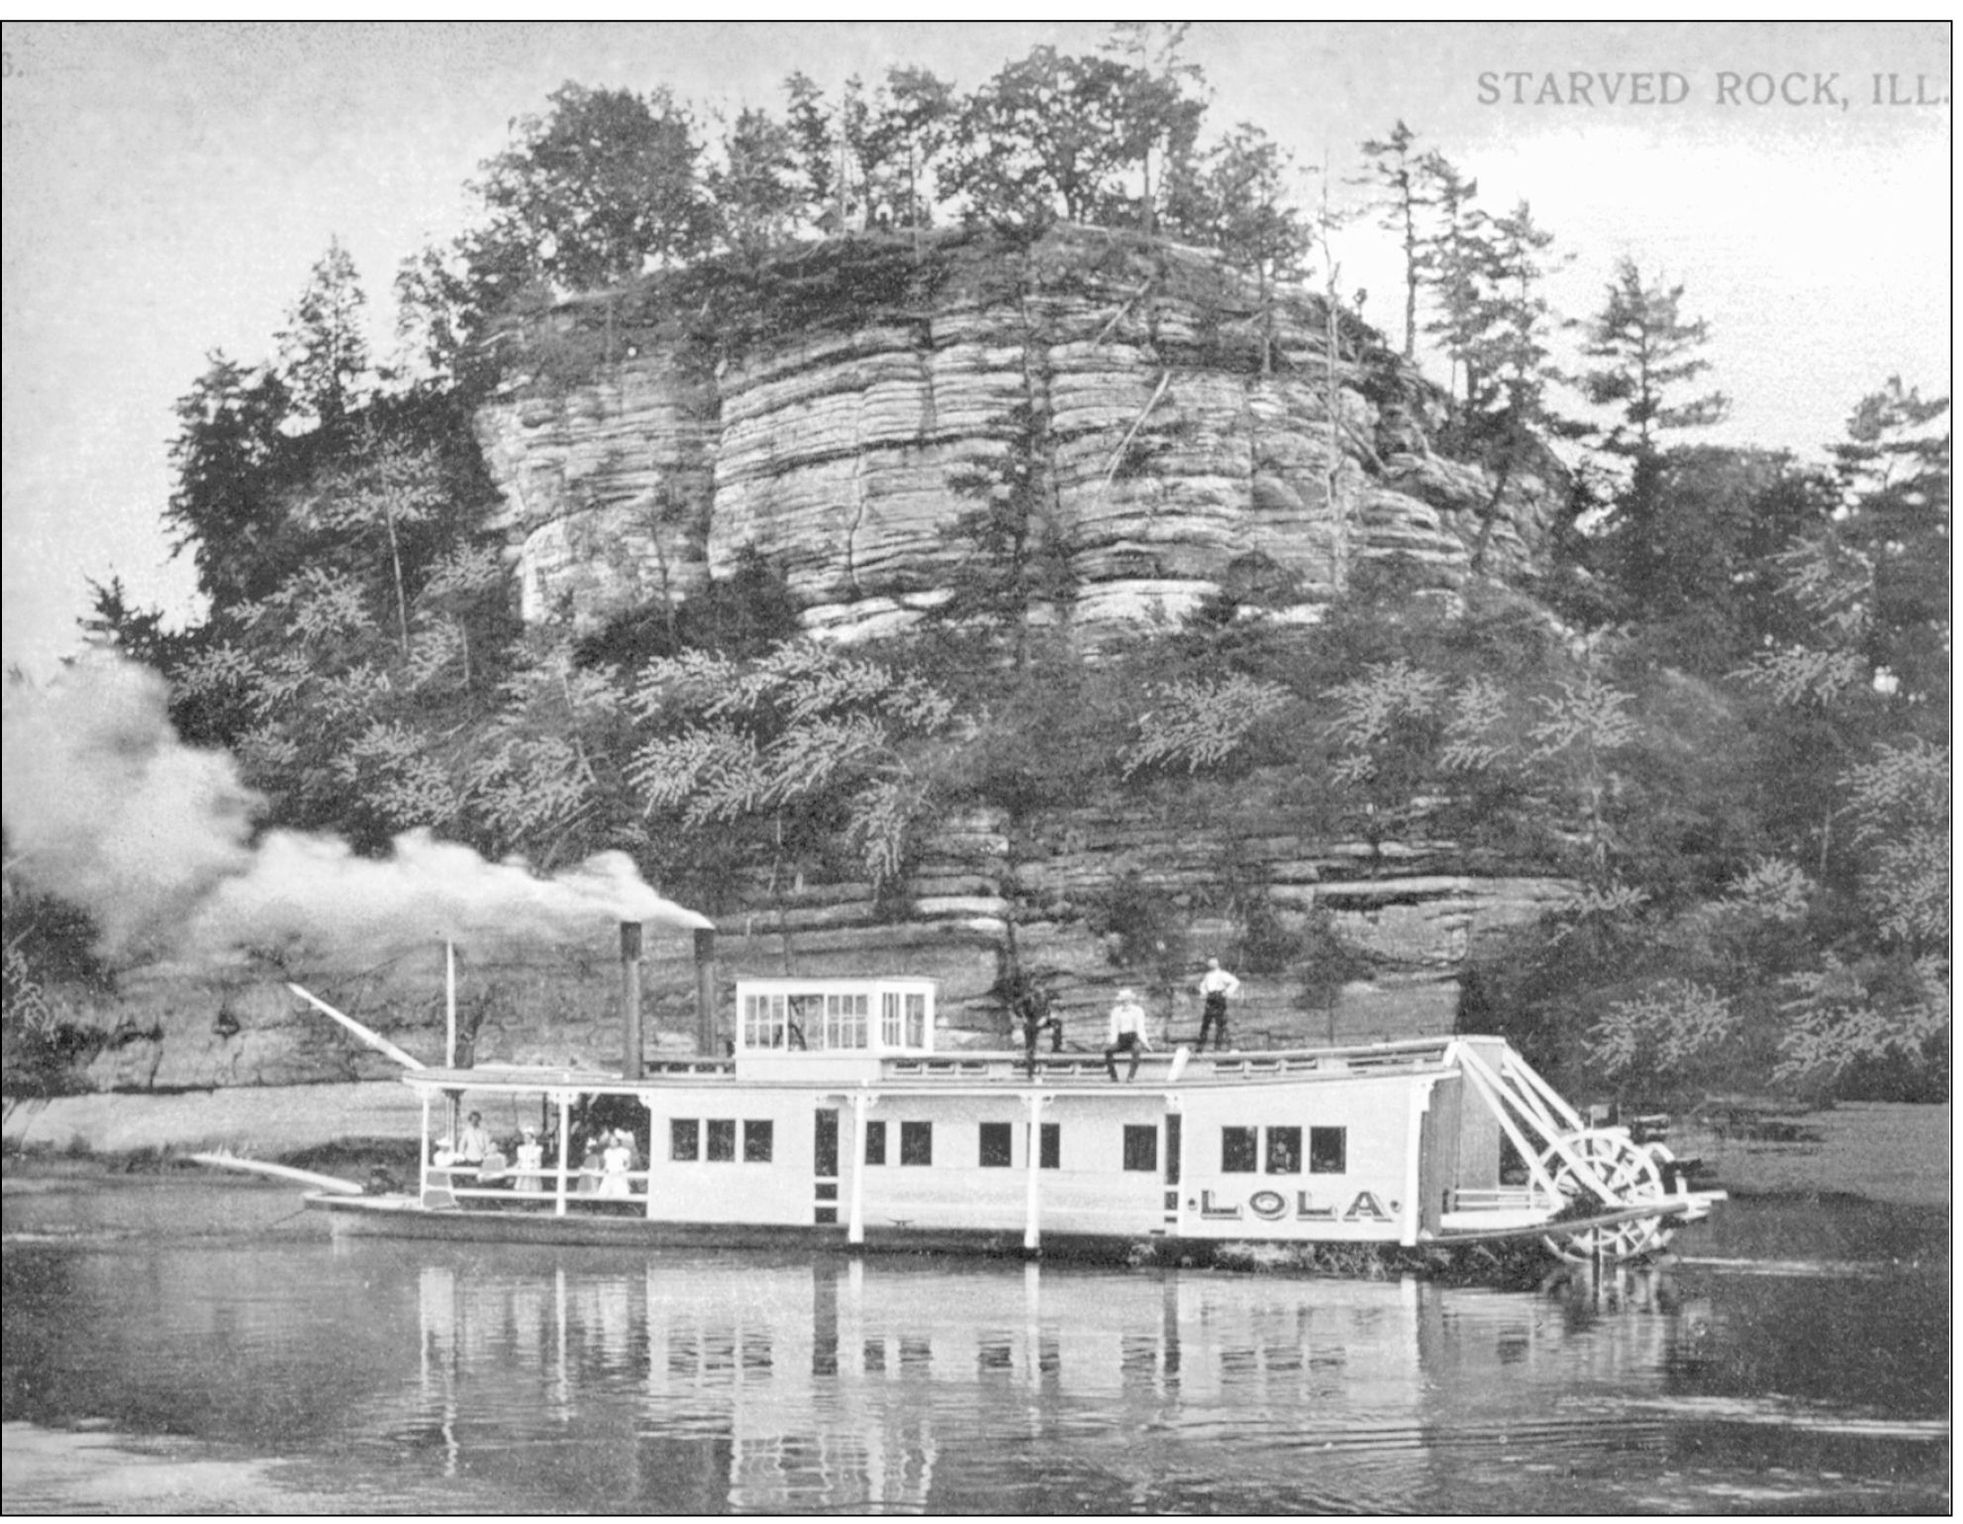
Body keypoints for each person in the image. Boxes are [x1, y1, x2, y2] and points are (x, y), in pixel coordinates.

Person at [1195, 958, 1242, 1053]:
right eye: (1210, 963)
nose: (1211, 964)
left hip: (1219, 997)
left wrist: (1227, 992)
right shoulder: (1207, 975)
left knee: (1220, 1023)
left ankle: (1218, 1048)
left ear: (1217, 964)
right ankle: (1199, 1048)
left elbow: (1235, 982)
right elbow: (1203, 986)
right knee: (1205, 1023)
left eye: (1213, 963)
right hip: (1210, 998)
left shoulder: (1222, 974)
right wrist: (1204, 993)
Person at [1104, 989, 1151, 1082]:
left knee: (1136, 1050)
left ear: (1130, 1000)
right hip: (1122, 1038)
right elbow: (1114, 1028)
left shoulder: (1138, 1010)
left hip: (1133, 1037)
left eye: (1127, 1000)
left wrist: (1145, 1043)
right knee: (1108, 1051)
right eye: (1123, 1000)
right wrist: (1112, 1042)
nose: (1125, 1002)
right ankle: (1113, 1076)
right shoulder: (1116, 1011)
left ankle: (1131, 1077)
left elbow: (1140, 1028)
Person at [597, 1129, 634, 1199]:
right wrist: (604, 1169)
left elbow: (629, 1164)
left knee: (619, 1195)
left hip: (618, 1175)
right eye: (610, 1141)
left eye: (614, 1141)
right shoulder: (607, 1152)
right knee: (605, 1195)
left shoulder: (623, 1151)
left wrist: (624, 1170)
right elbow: (606, 1164)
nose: (612, 1142)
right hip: (609, 1175)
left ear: (617, 1142)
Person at [514, 1126, 545, 1195]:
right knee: (521, 1188)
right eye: (525, 1138)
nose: (526, 1139)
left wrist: (534, 1168)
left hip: (532, 1169)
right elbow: (520, 1161)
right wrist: (513, 1169)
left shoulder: (537, 1149)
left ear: (532, 1138)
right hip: (523, 1169)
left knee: (533, 1188)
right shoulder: (520, 1148)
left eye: (528, 1138)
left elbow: (537, 1161)